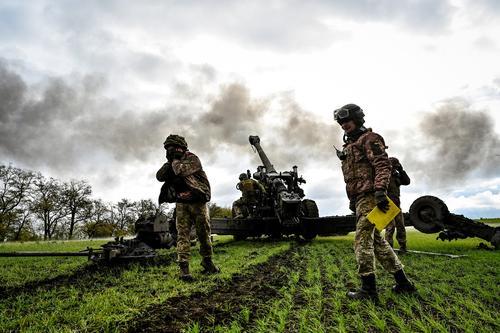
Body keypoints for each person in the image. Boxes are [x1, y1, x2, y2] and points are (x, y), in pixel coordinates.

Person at [333, 103, 416, 300]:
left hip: (372, 196)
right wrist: (353, 200)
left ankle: (368, 290)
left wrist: (379, 191)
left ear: (358, 119)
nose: (344, 125)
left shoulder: (370, 139)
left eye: (347, 120)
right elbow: (353, 177)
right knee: (378, 243)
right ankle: (404, 284)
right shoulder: (350, 146)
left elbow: (382, 164)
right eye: (341, 122)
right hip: (361, 198)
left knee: (362, 239)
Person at [156, 134, 219, 281]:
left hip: (198, 202)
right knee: (182, 236)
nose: (170, 151)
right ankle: (184, 269)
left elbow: (181, 171)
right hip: (181, 204)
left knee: (203, 234)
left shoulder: (192, 159)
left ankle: (207, 262)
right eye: (168, 149)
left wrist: (176, 160)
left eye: (172, 148)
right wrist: (169, 162)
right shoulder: (172, 163)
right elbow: (159, 176)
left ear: (181, 148)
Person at [385, 157, 411, 252]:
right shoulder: (384, 176)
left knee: (401, 226)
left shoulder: (396, 175)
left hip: (397, 205)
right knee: (390, 227)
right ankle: (389, 249)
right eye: (394, 167)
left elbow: (407, 181)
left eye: (396, 167)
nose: (395, 168)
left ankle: (403, 247)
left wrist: (401, 170)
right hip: (387, 206)